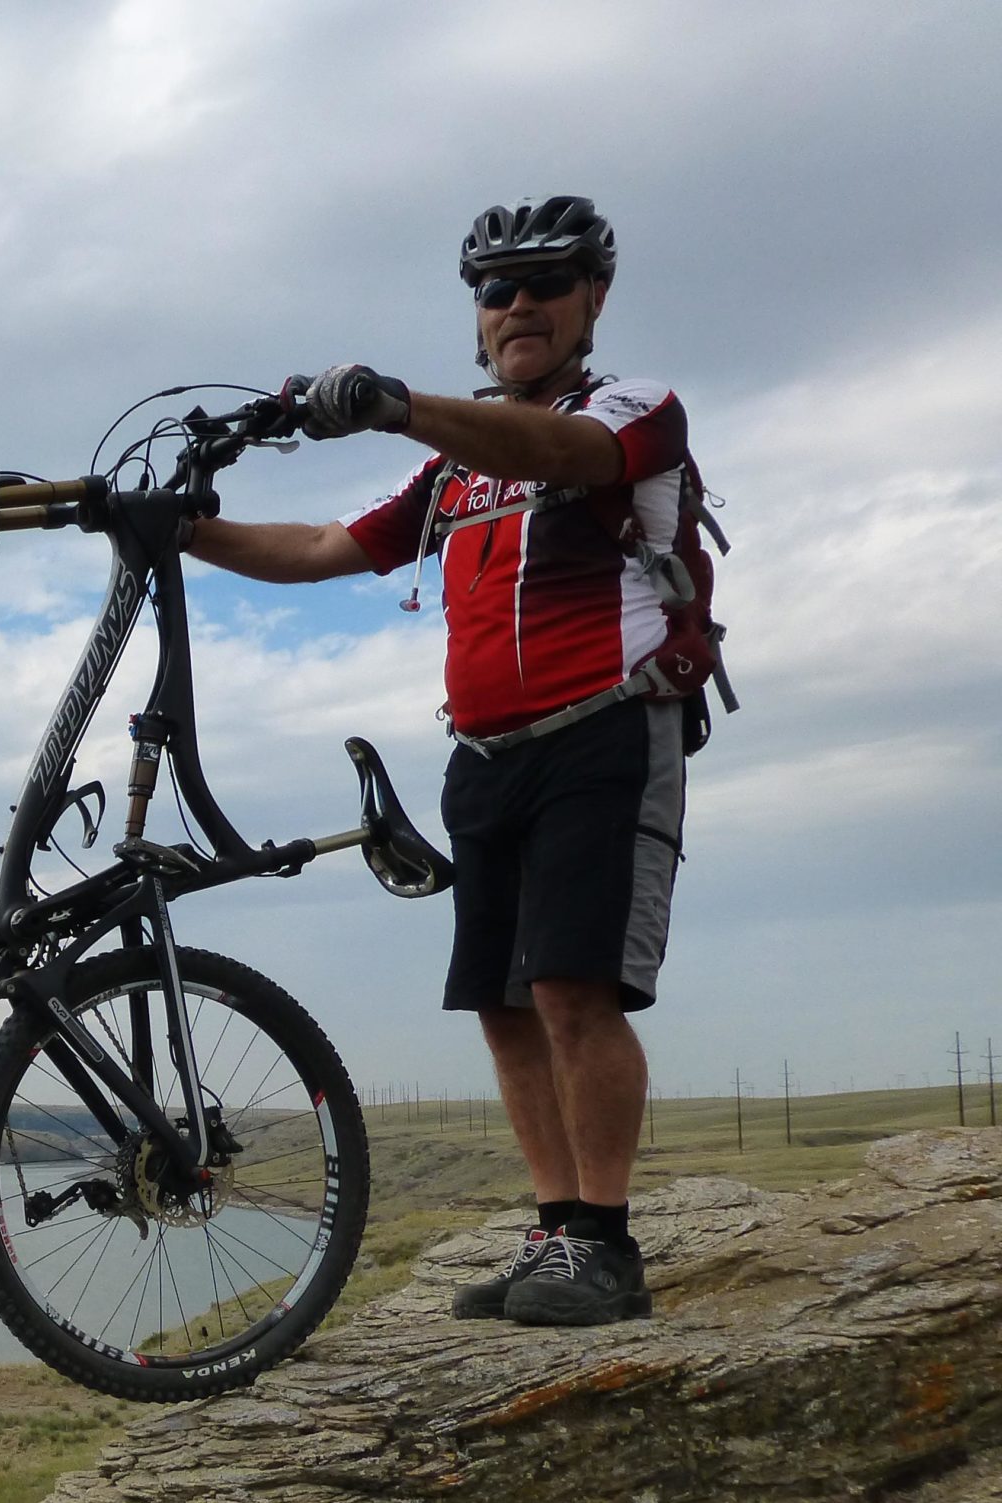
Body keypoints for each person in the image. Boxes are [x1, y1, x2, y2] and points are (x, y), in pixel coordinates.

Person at [180, 194, 701, 1328]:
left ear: (591, 300)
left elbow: (567, 451)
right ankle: (555, 1228)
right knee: (504, 1006)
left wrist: (394, 406)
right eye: (493, 290)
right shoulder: (450, 475)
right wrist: (172, 529)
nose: (517, 305)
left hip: (606, 730)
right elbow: (321, 546)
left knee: (573, 988)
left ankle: (605, 1245)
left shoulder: (629, 408)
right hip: (482, 755)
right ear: (475, 316)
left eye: (545, 283)